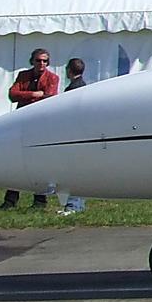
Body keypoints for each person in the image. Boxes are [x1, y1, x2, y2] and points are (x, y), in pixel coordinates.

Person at [3, 47, 57, 207]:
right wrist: (33, 94)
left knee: (39, 162)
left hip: (41, 124)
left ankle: (40, 199)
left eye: (45, 61)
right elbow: (12, 94)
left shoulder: (52, 78)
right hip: (22, 122)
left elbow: (50, 97)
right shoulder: (23, 76)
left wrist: (28, 95)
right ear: (32, 61)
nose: (41, 64)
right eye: (38, 60)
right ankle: (10, 199)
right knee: (16, 160)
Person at [57, 59, 88, 214]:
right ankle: (77, 204)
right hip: (81, 132)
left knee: (73, 171)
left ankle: (73, 205)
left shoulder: (73, 89)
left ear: (69, 70)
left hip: (73, 134)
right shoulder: (84, 86)